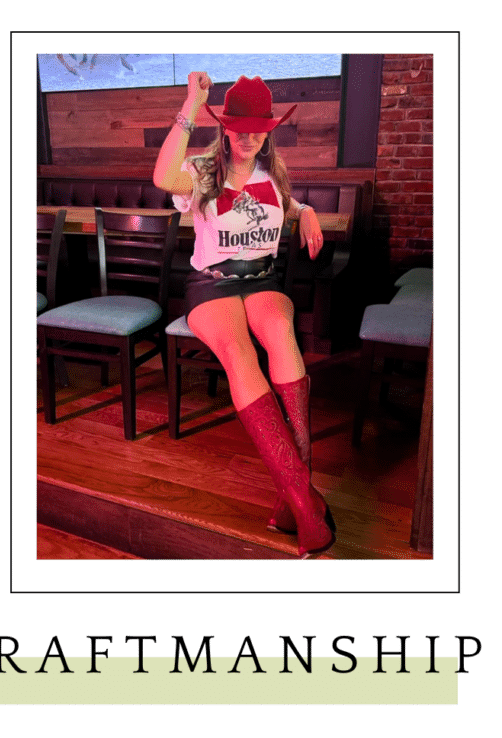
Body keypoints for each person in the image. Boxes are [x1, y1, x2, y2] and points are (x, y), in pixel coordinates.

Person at [153, 72, 335, 559]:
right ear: (225, 128)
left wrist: (309, 209)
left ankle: (293, 495)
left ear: (269, 129)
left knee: (281, 334)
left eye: (259, 128)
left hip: (263, 280)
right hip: (211, 284)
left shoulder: (273, 173)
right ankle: (302, 498)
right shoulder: (201, 171)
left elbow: (285, 203)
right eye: (239, 127)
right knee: (240, 355)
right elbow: (161, 175)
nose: (249, 136)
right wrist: (193, 101)